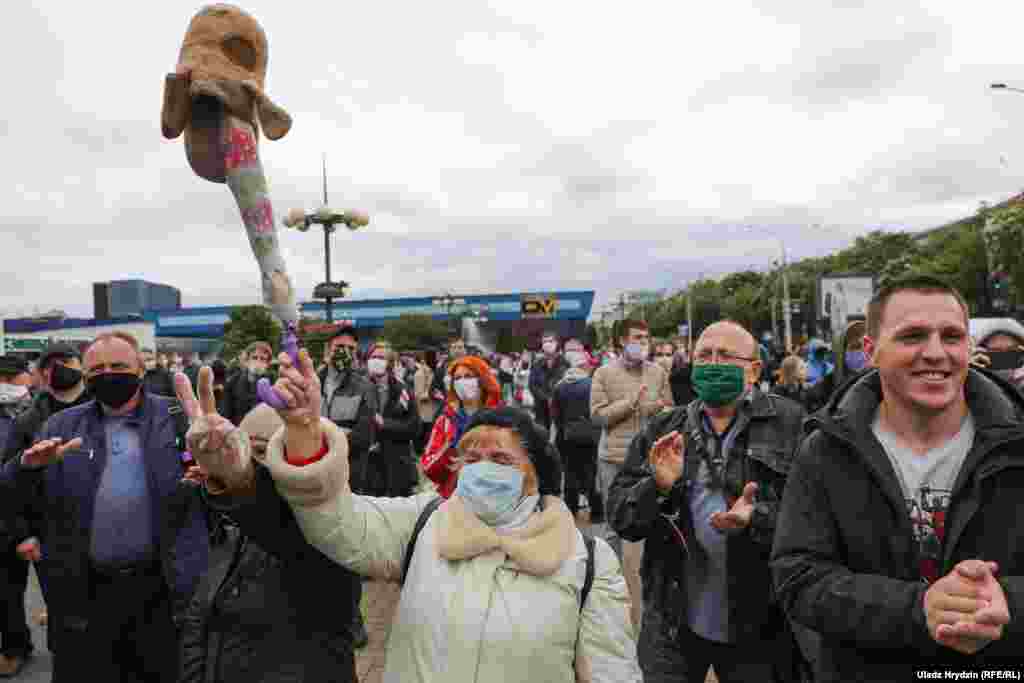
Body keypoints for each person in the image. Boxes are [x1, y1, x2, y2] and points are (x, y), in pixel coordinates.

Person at [186, 342, 642, 682]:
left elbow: (611, 671)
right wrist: (303, 433)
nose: (482, 468)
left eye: (501, 460)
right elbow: (335, 520)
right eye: (470, 457)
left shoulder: (588, 559)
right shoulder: (424, 522)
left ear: (535, 475)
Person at [772, 275, 1024, 680]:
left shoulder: (1017, 443)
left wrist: (1006, 603)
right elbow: (798, 578)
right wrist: (918, 609)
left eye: (952, 336)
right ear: (871, 350)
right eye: (912, 337)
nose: (936, 353)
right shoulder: (825, 450)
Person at [1, 332, 209, 683]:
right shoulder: (60, 425)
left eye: (118, 366)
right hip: (84, 594)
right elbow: (12, 491)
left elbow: (220, 495)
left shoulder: (177, 417)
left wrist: (219, 469)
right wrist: (25, 468)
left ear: (141, 369)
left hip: (163, 591)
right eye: (96, 368)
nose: (107, 374)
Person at [608, 319, 805, 682]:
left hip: (762, 623)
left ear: (754, 369)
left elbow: (815, 522)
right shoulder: (663, 429)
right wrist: (658, 487)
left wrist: (758, 517)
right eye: (705, 355)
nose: (713, 363)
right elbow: (622, 518)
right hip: (673, 621)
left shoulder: (792, 425)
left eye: (726, 355)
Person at [176, 394, 361, 683]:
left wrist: (240, 485)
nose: (245, 462)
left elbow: (281, 529)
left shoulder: (329, 536)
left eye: (263, 451)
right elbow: (201, 624)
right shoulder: (231, 530)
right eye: (240, 447)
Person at [591, 319, 673, 631]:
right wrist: (630, 404)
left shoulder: (657, 372)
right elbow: (598, 416)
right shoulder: (604, 373)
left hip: (651, 458)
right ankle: (610, 585)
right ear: (621, 342)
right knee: (615, 525)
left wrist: (653, 408)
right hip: (614, 456)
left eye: (646, 336)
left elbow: (668, 408)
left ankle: (655, 583)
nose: (643, 342)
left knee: (655, 517)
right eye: (637, 337)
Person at [319, 325, 378, 649]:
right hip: (311, 477)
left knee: (347, 550)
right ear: (328, 349)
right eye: (339, 346)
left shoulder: (363, 386)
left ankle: (352, 619)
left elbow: (365, 435)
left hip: (348, 478)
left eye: (350, 349)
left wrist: (327, 437)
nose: (344, 352)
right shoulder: (310, 381)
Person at [421, 355, 502, 498]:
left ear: (482, 380)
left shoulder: (501, 419)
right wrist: (450, 447)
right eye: (457, 378)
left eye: (469, 376)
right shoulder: (445, 420)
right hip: (453, 500)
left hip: (492, 500)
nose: (463, 382)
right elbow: (428, 468)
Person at [0, 357, 33, 678]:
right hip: (7, 514)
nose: (8, 384)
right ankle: (15, 645)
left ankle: (16, 647)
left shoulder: (35, 411)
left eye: (13, 377)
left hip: (26, 513)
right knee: (7, 590)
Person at [552, 348, 603, 523]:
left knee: (570, 474)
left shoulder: (560, 386)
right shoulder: (591, 384)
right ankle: (596, 512)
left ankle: (571, 511)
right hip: (590, 436)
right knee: (591, 473)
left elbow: (556, 416)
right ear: (583, 366)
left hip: (568, 436)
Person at [365, 343, 420, 497]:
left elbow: (414, 427)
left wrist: (385, 424)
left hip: (397, 465)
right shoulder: (360, 388)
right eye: (373, 357)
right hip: (368, 468)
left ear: (389, 362)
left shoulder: (403, 390)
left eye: (381, 357)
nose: (376, 360)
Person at [806, 320, 868, 412]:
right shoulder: (822, 390)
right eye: (856, 347)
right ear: (841, 352)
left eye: (866, 348)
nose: (863, 353)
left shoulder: (881, 385)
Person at [222, 341, 273, 426]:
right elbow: (226, 412)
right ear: (247, 360)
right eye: (254, 357)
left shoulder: (272, 382)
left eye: (262, 359)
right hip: (238, 431)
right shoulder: (233, 381)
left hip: (263, 433)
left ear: (267, 364)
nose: (258, 362)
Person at [529, 333, 569, 430]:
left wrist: (553, 398)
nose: (547, 344)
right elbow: (532, 385)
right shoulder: (537, 364)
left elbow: (565, 383)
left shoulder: (564, 363)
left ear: (557, 343)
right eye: (544, 342)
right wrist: (545, 398)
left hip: (559, 409)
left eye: (550, 341)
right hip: (541, 409)